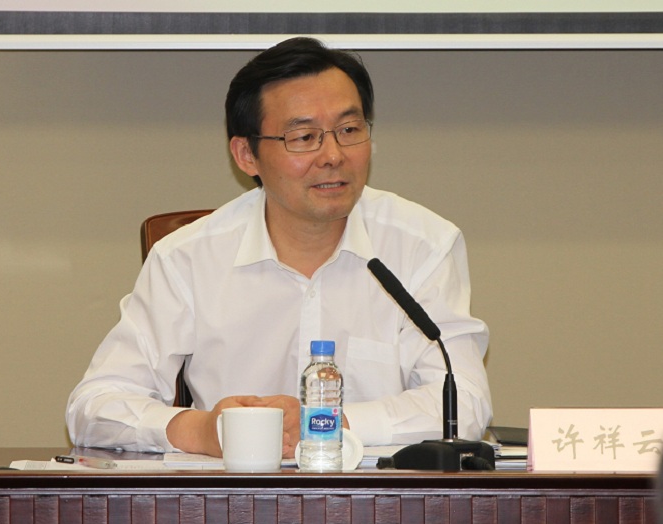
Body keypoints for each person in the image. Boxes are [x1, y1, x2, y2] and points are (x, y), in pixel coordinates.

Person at [66, 37, 492, 459]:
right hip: (231, 498)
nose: (333, 155)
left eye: (349, 130)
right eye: (303, 137)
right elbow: (94, 406)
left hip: (377, 497)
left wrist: (326, 422)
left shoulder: (423, 245)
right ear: (246, 155)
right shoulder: (186, 258)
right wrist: (201, 430)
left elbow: (464, 402)